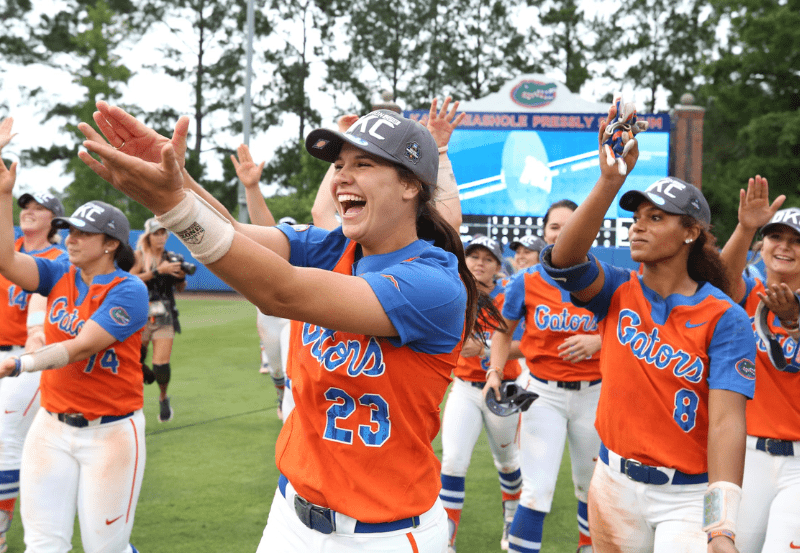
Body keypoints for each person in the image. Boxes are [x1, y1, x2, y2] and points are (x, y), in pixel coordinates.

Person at [78, 102, 477, 552]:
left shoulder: (434, 283)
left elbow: (281, 293)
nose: (342, 175)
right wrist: (177, 182)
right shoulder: (332, 247)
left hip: (383, 535)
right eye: (340, 164)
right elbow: (230, 230)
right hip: (290, 518)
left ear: (410, 185)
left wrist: (170, 205)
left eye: (363, 164)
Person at [527, 101, 756, 553]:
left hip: (687, 496)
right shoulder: (619, 290)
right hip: (614, 481)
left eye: (656, 218)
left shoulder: (725, 317)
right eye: (636, 218)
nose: (638, 228)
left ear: (690, 232)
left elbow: (727, 424)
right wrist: (610, 180)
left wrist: (722, 526)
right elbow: (563, 259)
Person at [0, 123, 148, 553]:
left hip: (111, 432)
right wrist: (4, 195)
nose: (71, 238)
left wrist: (21, 362)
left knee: (107, 548)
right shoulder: (60, 272)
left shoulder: (129, 289)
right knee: (43, 544)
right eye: (69, 230)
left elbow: (82, 345)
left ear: (109, 244)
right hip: (51, 425)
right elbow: (7, 262)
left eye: (82, 233)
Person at [487, 199, 603, 553]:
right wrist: (494, 371)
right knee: (536, 490)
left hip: (594, 393)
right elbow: (502, 330)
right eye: (555, 227)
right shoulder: (527, 280)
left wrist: (598, 339)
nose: (563, 233)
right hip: (543, 393)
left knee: (591, 487)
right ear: (545, 233)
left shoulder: (605, 279)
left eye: (572, 225)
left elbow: (632, 327)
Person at [717, 176, 800, 553]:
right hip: (745, 454)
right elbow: (717, 282)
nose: (784, 247)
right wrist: (746, 226)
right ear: (761, 246)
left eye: (797, 242)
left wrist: (793, 323)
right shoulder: (748, 294)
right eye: (776, 237)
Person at [439, 234, 524, 553]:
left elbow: (529, 345)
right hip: (464, 386)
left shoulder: (511, 294)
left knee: (507, 462)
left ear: (497, 265)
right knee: (453, 461)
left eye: (487, 258)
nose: (478, 263)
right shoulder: (456, 291)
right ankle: (447, 535)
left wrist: (488, 347)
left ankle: (512, 515)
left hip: (504, 390)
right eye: (473, 256)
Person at [0, 183, 66, 550]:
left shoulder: (59, 258)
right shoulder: (9, 253)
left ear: (53, 219)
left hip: (32, 360)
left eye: (39, 206)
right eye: (25, 205)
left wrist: (29, 353)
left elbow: (40, 328)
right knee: (30, 445)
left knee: (5, 434)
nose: (29, 210)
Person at [130, 217, 187, 422]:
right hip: (139, 316)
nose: (161, 237)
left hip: (164, 315)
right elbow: (129, 279)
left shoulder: (171, 257)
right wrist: (157, 271)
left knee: (161, 366)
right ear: (148, 236)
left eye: (163, 233)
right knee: (134, 363)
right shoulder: (138, 257)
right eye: (156, 233)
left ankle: (163, 397)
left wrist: (179, 277)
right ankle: (133, 401)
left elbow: (180, 288)